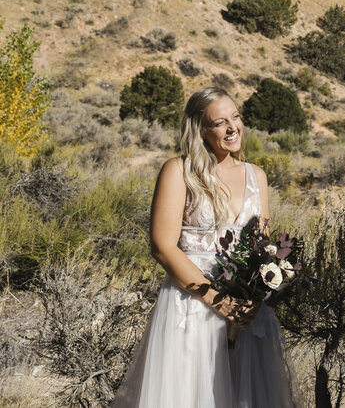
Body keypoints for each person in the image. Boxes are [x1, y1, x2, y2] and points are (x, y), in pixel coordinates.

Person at [113, 87, 294, 407]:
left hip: (246, 310)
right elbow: (162, 246)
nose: (232, 128)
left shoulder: (257, 176)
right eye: (220, 122)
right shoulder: (178, 171)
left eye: (236, 117)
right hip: (193, 303)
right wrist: (218, 300)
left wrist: (258, 293)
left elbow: (262, 246)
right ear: (200, 130)